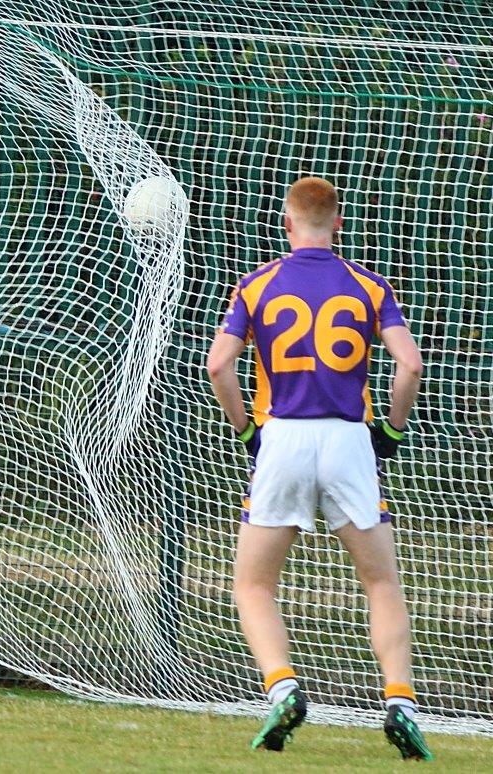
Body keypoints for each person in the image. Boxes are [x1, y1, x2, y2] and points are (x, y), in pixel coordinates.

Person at [206, 177, 431, 760]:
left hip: (281, 437)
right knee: (380, 581)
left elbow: (218, 366)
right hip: (348, 441)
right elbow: (409, 365)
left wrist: (248, 430)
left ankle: (282, 687)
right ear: (337, 223)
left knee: (253, 585)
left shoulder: (256, 286)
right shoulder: (368, 286)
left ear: (286, 224)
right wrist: (392, 431)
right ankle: (400, 702)